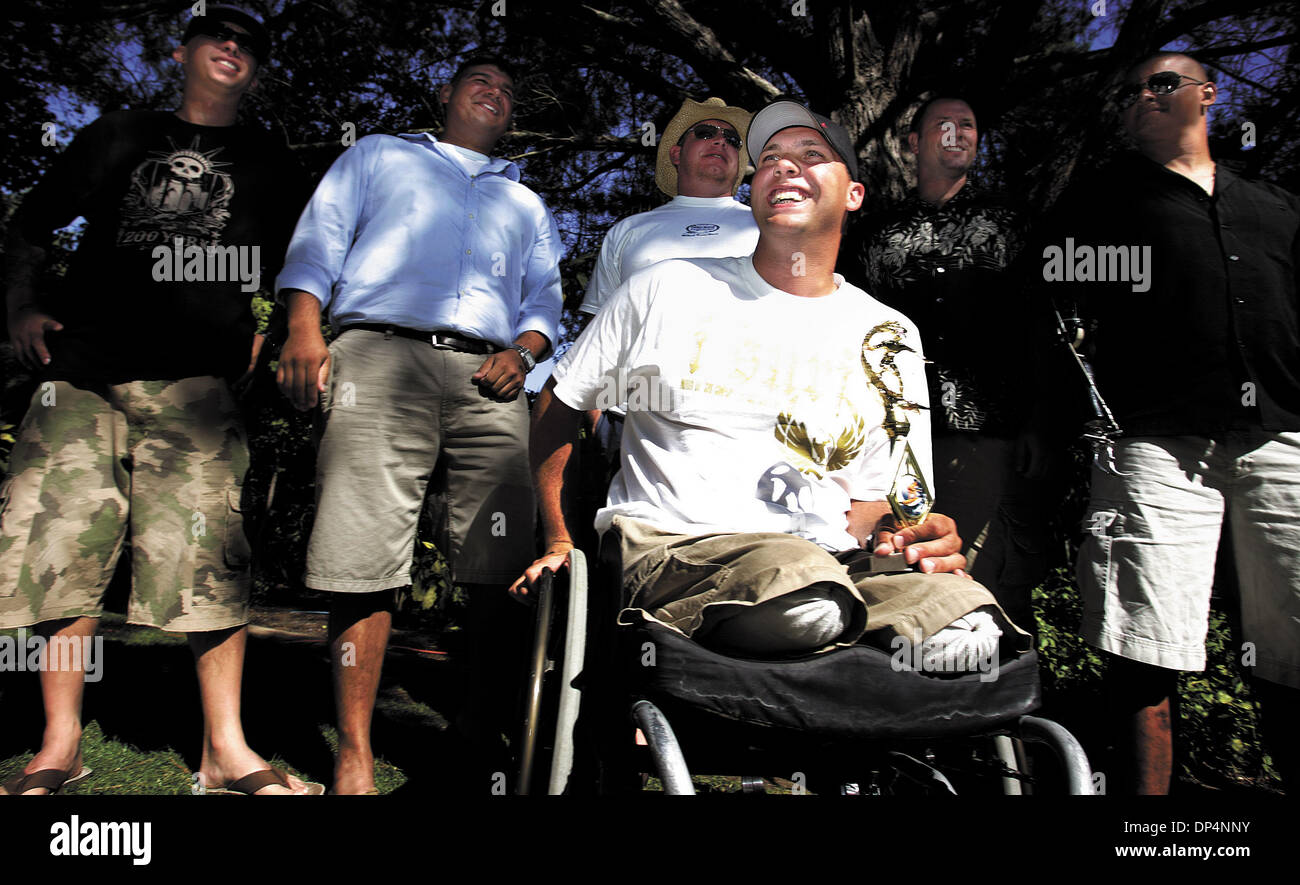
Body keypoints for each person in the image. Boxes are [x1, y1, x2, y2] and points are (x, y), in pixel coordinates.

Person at [512, 98, 1026, 666]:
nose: (783, 166)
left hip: (835, 562)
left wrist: (908, 537)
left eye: (811, 155)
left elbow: (871, 504)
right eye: (771, 159)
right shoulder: (665, 288)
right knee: (803, 600)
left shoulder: (887, 332)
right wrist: (561, 539)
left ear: (854, 194)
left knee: (968, 627)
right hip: (682, 548)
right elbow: (561, 405)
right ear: (753, 193)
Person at [0, 7, 317, 795]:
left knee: (207, 562)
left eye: (249, 44)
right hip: (79, 372)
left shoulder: (271, 161)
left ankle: (226, 750)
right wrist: (19, 307)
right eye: (220, 36)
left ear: (256, 68)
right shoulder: (116, 134)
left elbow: (305, 259)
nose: (234, 49)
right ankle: (59, 743)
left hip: (195, 389)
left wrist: (274, 332)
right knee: (61, 552)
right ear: (182, 53)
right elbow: (32, 224)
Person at [275, 55, 563, 794]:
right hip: (377, 356)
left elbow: (543, 305)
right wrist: (304, 330)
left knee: (498, 566)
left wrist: (525, 352)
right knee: (360, 556)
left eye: (507, 89)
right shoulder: (379, 155)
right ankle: (355, 753)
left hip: (489, 381)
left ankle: (475, 734)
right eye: (481, 82)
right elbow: (318, 242)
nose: (495, 94)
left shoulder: (524, 202)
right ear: (446, 94)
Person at [1049, 52, 1300, 793]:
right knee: (1143, 646)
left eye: (1163, 83)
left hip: (1283, 436)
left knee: (1291, 645)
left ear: (1209, 97)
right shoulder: (1100, 200)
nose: (1146, 98)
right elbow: (1050, 301)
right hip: (1153, 442)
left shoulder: (1278, 207)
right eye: (1133, 92)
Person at [861, 96, 1049, 630]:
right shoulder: (875, 233)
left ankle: (1001, 698)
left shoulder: (1014, 224)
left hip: (987, 432)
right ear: (913, 144)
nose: (955, 133)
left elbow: (1041, 326)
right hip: (892, 435)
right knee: (899, 567)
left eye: (967, 124)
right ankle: (906, 693)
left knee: (988, 573)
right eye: (942, 125)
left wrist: (1040, 420)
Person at [577, 97, 758, 467]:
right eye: (705, 133)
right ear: (676, 154)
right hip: (630, 420)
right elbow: (596, 331)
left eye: (732, 139)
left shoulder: (769, 226)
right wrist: (597, 418)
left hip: (744, 421)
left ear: (739, 161)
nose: (721, 141)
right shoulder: (629, 231)